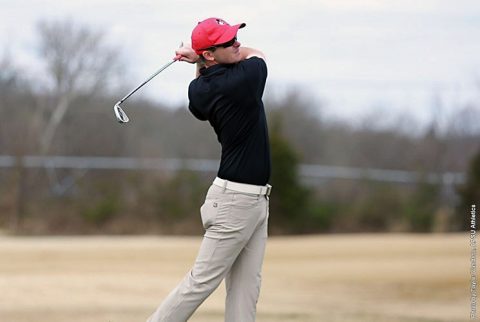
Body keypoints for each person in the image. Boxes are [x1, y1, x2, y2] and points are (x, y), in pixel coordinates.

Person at [146, 17, 271, 322]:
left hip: (253, 201)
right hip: (235, 203)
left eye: (235, 38)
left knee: (246, 288)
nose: (237, 43)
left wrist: (198, 58)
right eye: (229, 42)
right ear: (212, 54)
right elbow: (258, 55)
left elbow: (205, 80)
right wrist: (198, 56)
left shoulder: (199, 88)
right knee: (200, 283)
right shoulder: (244, 78)